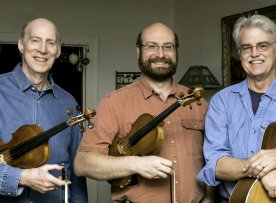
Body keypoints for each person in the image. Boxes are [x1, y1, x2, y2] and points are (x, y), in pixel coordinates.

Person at [74, 22, 214, 203]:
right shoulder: (114, 102)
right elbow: (82, 163)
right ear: (138, 51)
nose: (161, 54)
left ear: (176, 51)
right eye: (152, 46)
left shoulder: (198, 102)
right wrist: (136, 164)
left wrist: (209, 197)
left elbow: (212, 159)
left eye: (168, 47)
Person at [197, 14, 276, 202]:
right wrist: (262, 171)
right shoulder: (222, 101)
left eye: (263, 45)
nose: (254, 53)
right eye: (247, 48)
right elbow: (215, 164)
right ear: (240, 53)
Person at [0, 18, 88, 203]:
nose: (43, 49)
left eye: (51, 42)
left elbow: (76, 176)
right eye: (35, 40)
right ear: (21, 45)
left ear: (58, 51)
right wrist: (23, 178)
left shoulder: (69, 103)